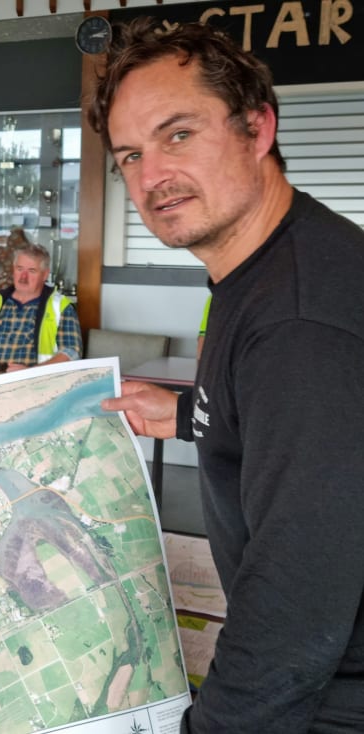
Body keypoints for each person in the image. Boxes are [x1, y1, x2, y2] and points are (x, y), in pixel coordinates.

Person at [89, 18, 364, 731]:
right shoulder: (274, 264)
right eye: (129, 155)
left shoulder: (298, 322)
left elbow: (296, 609)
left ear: (257, 128)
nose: (152, 177)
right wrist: (184, 415)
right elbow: (306, 430)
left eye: (179, 134)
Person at [0, 242, 81, 378]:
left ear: (45, 275)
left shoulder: (60, 306)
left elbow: (71, 352)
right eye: (19, 269)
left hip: (34, 382)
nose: (23, 277)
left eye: (31, 271)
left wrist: (32, 373)